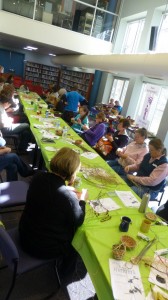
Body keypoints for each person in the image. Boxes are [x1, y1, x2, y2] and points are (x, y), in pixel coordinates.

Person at [19, 147, 87, 271]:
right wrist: (82, 200)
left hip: (24, 234)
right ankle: (65, 272)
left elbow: (51, 193)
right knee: (78, 238)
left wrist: (68, 191)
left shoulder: (38, 176)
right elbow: (78, 220)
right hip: (43, 249)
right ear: (73, 171)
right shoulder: (68, 197)